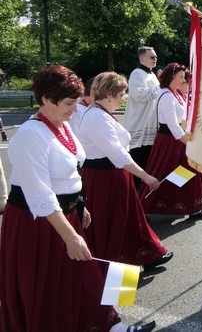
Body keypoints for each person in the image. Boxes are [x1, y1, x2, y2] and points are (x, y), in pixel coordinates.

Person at [0, 65, 155, 332]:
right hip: (38, 223)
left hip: (64, 214)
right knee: (50, 284)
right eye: (70, 103)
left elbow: (73, 169)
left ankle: (112, 326)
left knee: (82, 275)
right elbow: (40, 195)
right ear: (47, 99)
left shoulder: (61, 125)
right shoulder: (30, 134)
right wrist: (71, 237)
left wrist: (80, 205)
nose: (76, 109)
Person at [78, 71, 173, 270]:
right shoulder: (97, 117)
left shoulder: (102, 114)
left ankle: (147, 254)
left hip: (113, 175)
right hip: (104, 178)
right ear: (110, 94)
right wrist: (146, 176)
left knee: (129, 217)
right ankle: (113, 268)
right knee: (114, 223)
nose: (123, 99)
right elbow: (119, 155)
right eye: (121, 94)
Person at [139, 63, 202, 217]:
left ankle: (187, 203)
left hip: (176, 139)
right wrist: (189, 143)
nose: (183, 79)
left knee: (180, 173)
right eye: (180, 76)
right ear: (171, 76)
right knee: (177, 172)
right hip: (171, 140)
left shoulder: (174, 93)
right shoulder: (167, 95)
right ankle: (191, 207)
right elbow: (173, 125)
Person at [125, 46, 161, 188]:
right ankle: (135, 189)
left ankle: (144, 191)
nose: (155, 59)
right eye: (152, 57)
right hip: (139, 122)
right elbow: (140, 96)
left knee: (148, 158)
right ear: (142, 58)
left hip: (150, 123)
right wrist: (160, 86)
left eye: (156, 57)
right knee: (138, 156)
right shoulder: (136, 74)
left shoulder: (152, 75)